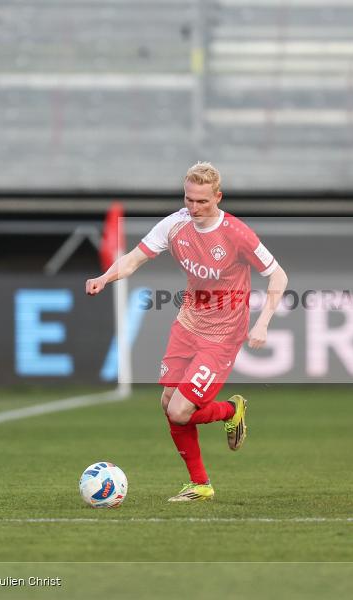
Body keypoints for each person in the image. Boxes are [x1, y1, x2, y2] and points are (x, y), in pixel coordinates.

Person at [85, 162, 288, 502]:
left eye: (202, 201)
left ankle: (229, 414)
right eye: (189, 199)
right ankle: (201, 482)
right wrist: (104, 278)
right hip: (188, 324)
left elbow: (278, 275)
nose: (194, 208)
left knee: (180, 410)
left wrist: (263, 321)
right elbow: (133, 259)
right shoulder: (175, 225)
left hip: (223, 334)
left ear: (218, 197)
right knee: (168, 403)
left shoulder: (237, 234)